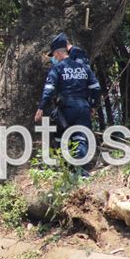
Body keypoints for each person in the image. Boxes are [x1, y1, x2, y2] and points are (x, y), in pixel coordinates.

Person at [35, 35, 101, 175]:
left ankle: (73, 172)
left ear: (58, 52)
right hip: (83, 107)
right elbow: (96, 88)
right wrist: (93, 106)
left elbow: (49, 90)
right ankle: (78, 171)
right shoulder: (83, 68)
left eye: (53, 55)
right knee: (81, 138)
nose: (54, 58)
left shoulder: (57, 69)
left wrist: (41, 108)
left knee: (64, 138)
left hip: (66, 109)